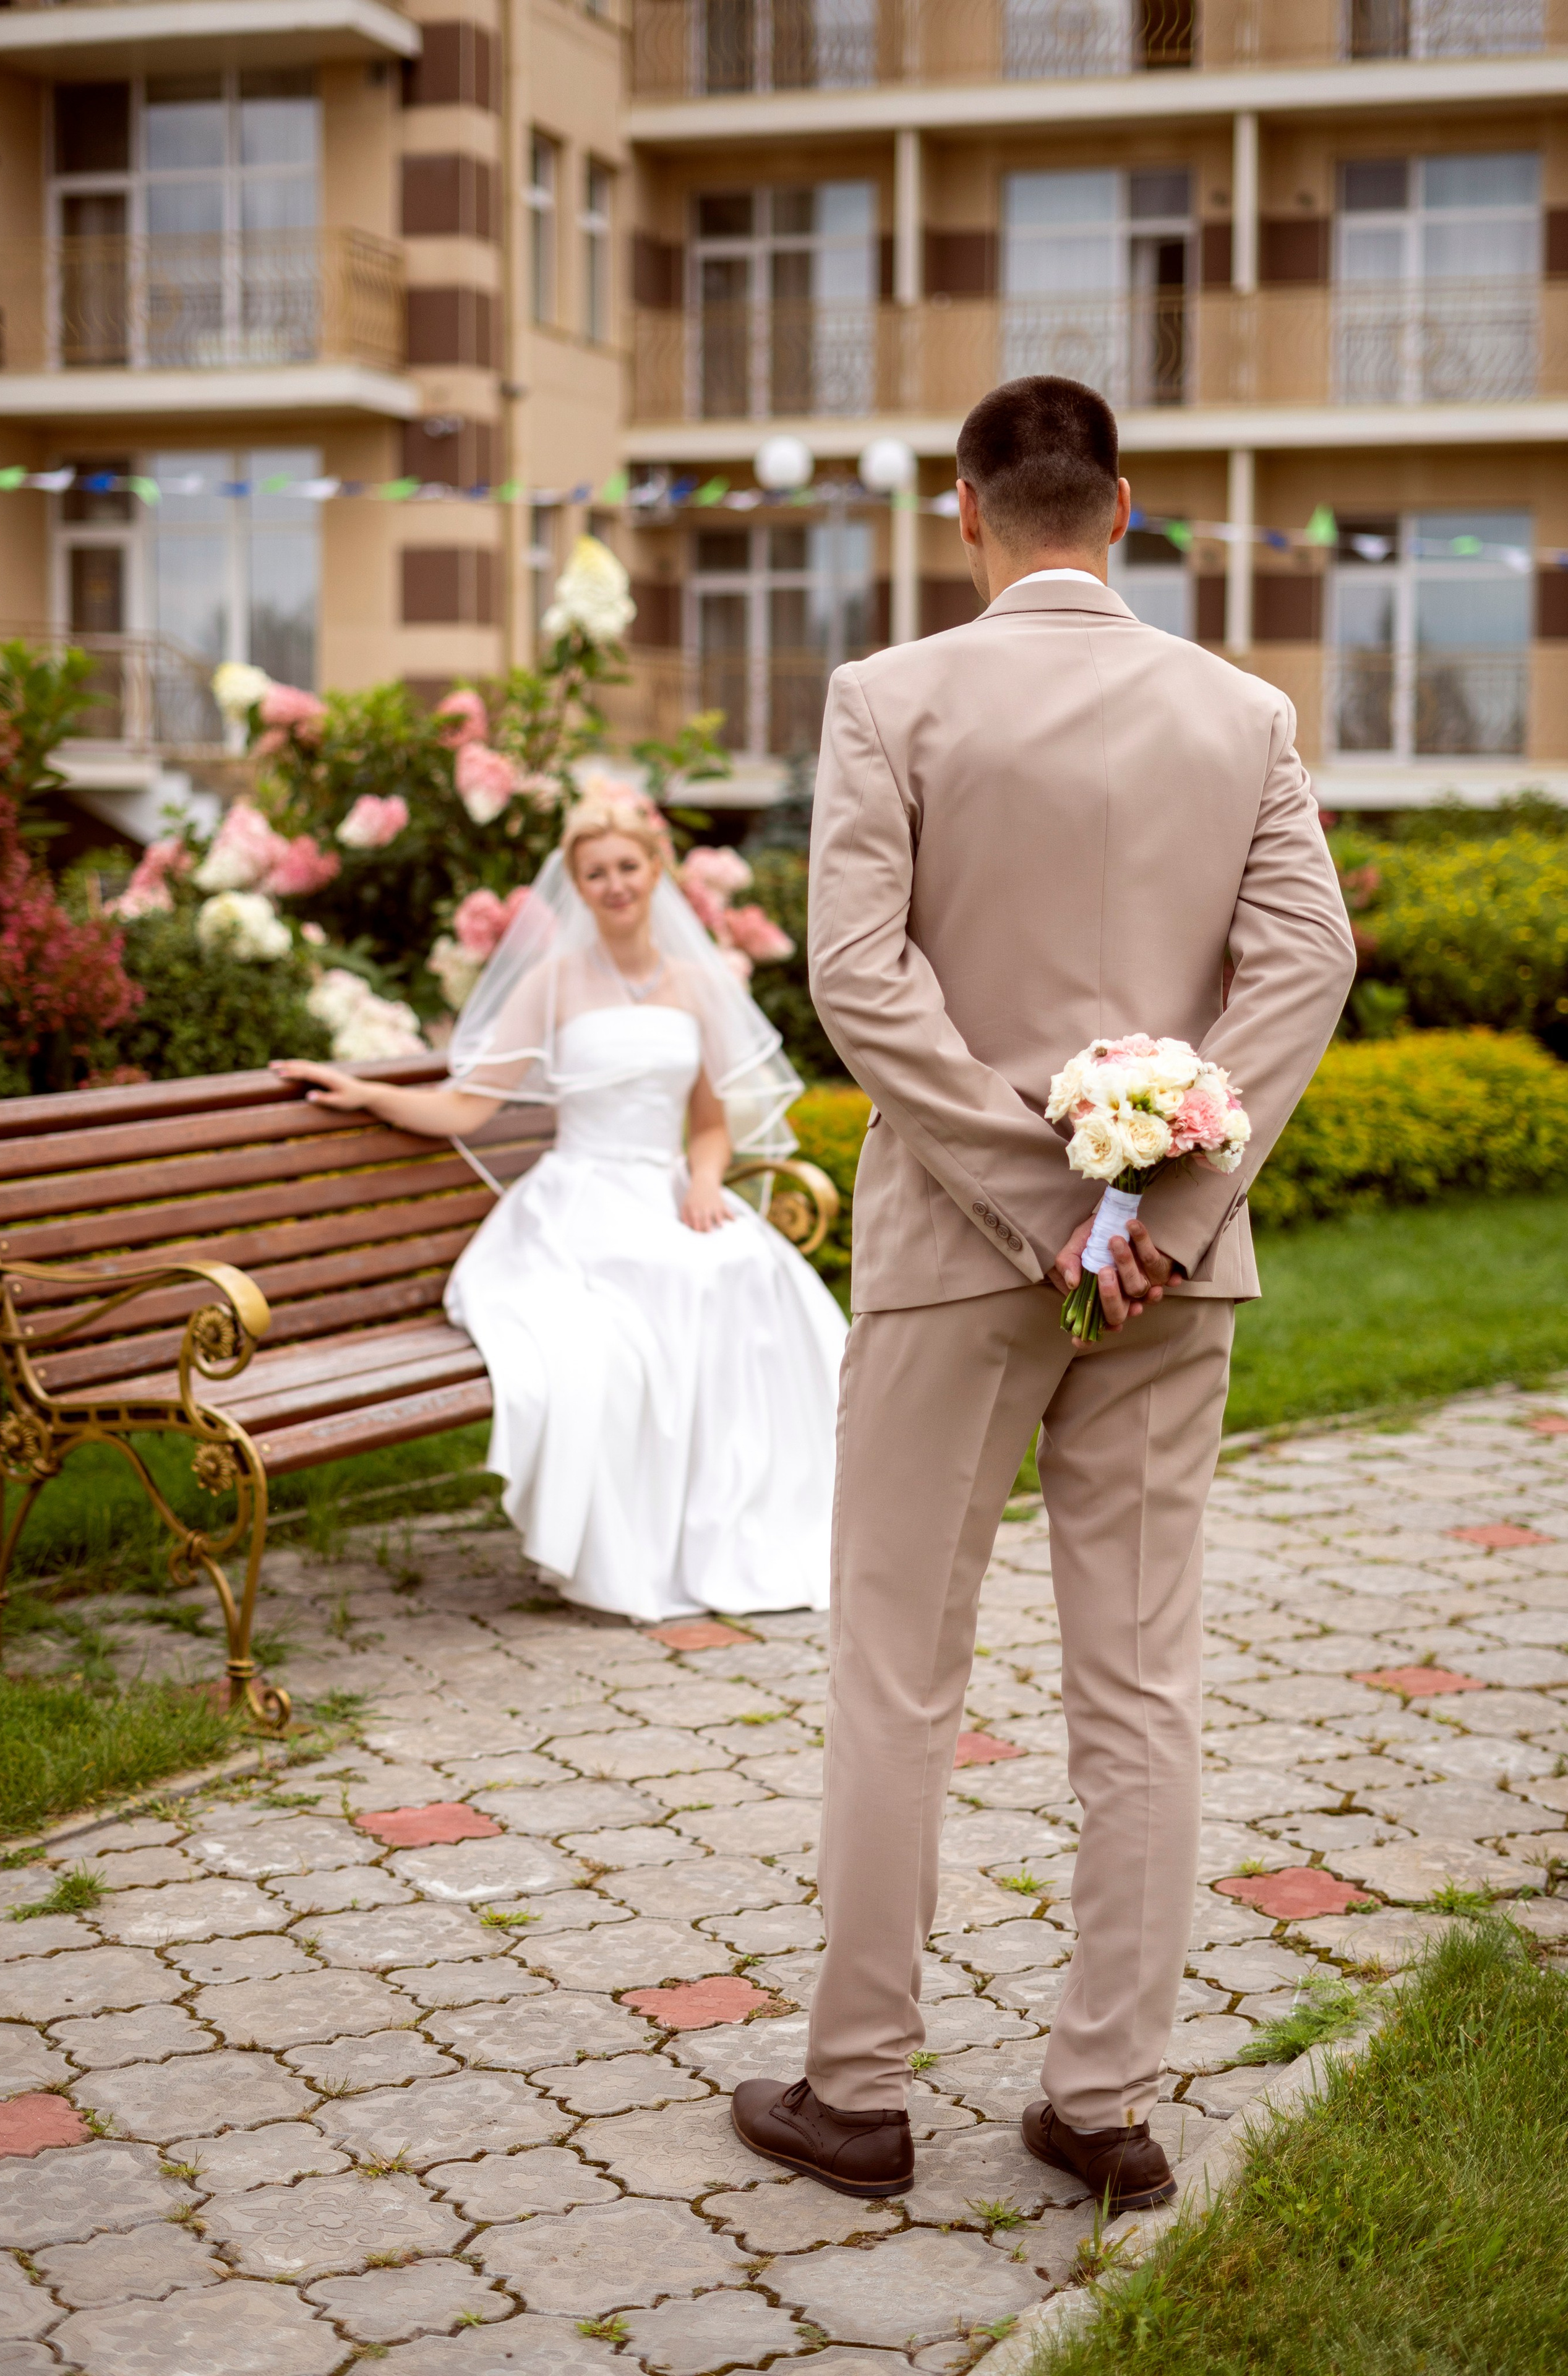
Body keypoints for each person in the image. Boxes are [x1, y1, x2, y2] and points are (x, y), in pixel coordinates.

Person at [730, 377, 1356, 2205]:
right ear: (1127, 509)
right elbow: (1306, 959)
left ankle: (854, 2093)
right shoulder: (1244, 713)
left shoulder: (891, 696)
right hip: (1175, 1263)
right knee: (1143, 1681)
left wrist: (1035, 1198)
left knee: (897, 1670)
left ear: (967, 512)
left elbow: (860, 978)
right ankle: (1106, 2102)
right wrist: (1159, 1194)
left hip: (952, 1252)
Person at [275, 788, 847, 1624]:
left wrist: (702, 1178)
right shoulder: (551, 982)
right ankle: (642, 1544)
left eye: (627, 866)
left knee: (738, 1264)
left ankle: (738, 1520)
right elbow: (468, 1106)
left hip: (665, 1185)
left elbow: (713, 1123)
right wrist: (362, 1090)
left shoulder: (697, 982)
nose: (613, 883)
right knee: (660, 1292)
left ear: (656, 870)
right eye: (595, 872)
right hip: (579, 1202)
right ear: (575, 885)